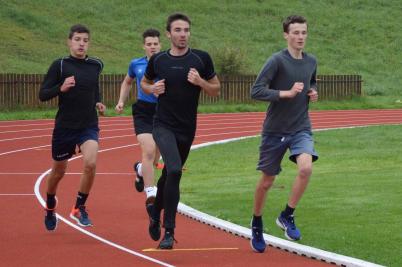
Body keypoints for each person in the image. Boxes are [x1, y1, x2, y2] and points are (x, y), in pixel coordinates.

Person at [141, 13, 220, 249]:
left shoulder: (201, 59)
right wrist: (152, 88)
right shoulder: (159, 60)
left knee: (169, 176)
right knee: (174, 169)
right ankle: (169, 231)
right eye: (177, 30)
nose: (183, 34)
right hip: (163, 125)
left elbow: (216, 90)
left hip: (187, 128)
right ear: (168, 34)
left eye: (186, 30)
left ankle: (155, 212)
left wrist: (201, 83)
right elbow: (145, 83)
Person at [249, 15, 319, 253]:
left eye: (304, 32)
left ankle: (287, 215)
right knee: (267, 181)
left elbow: (313, 82)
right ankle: (257, 222)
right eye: (296, 33)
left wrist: (313, 92)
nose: (300, 37)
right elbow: (256, 91)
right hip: (275, 130)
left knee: (306, 168)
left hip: (301, 127)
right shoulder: (276, 61)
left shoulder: (311, 61)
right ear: (286, 35)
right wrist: (285, 94)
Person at [39, 24, 106, 231]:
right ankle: (50, 206)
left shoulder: (96, 64)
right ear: (69, 41)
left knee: (91, 163)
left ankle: (79, 207)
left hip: (88, 125)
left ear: (89, 43)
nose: (81, 44)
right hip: (65, 127)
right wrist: (61, 87)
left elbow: (94, 86)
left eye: (85, 40)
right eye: (77, 40)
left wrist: (98, 101)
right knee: (58, 172)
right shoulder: (59, 65)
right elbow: (43, 95)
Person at [115, 29, 162, 215]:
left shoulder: (167, 63)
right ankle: (151, 195)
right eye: (149, 44)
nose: (152, 47)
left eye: (155, 44)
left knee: (155, 157)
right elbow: (127, 82)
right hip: (143, 111)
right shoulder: (136, 64)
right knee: (149, 150)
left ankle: (140, 170)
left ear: (160, 45)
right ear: (144, 46)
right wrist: (121, 101)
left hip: (163, 112)